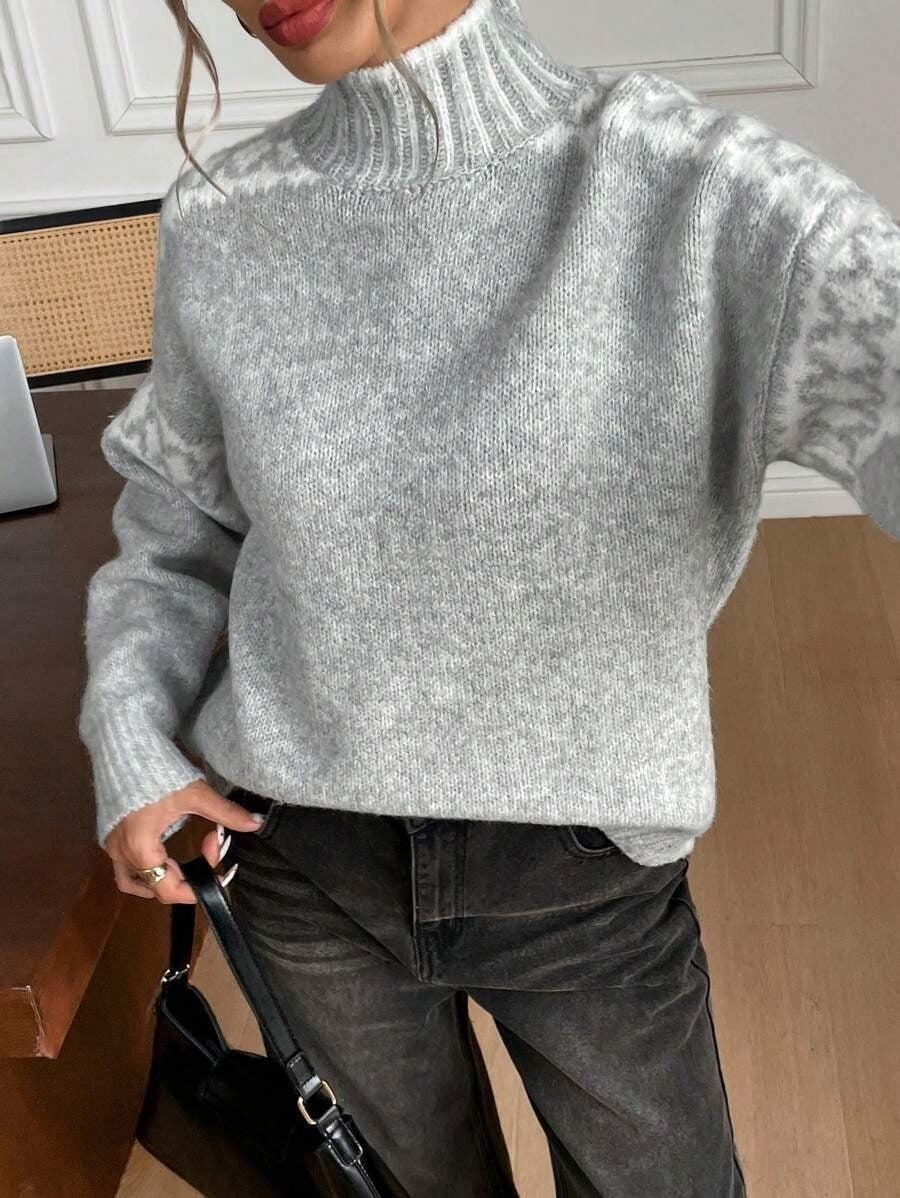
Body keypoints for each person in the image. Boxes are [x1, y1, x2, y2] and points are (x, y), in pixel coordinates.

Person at [77, 0, 900, 1193]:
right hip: (303, 858)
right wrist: (131, 731)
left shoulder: (694, 188)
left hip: (580, 878)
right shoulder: (226, 217)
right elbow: (179, 522)